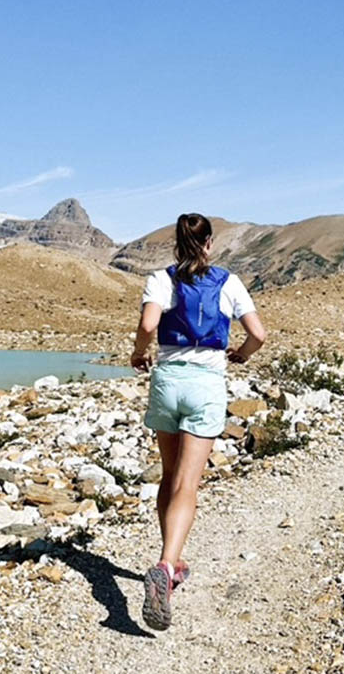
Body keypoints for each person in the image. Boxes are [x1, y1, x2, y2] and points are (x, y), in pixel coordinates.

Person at [130, 213, 267, 631]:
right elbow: (258, 334)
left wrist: (139, 353)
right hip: (206, 384)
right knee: (189, 484)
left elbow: (149, 325)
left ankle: (170, 559)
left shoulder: (162, 279)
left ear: (176, 243)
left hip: (168, 381)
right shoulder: (229, 281)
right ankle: (168, 565)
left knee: (169, 477)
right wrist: (242, 353)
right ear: (209, 243)